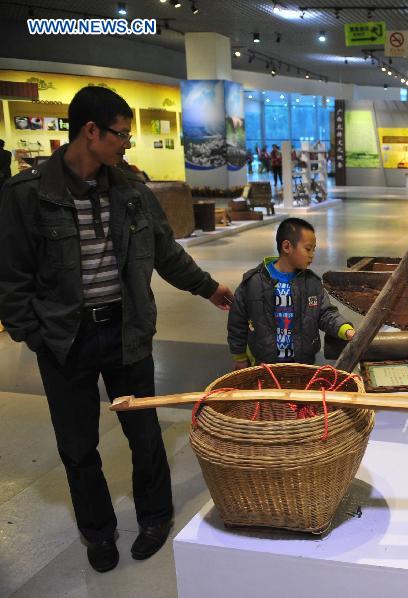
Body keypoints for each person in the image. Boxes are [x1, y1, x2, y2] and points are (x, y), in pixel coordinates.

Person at [0, 86, 234, 573]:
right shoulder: (27, 195)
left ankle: (154, 517)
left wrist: (208, 289)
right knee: (78, 447)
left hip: (126, 333)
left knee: (144, 432)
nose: (127, 144)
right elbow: (11, 277)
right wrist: (35, 334)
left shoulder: (129, 189)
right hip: (65, 341)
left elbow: (165, 252)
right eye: (121, 135)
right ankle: (98, 532)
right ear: (91, 131)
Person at [228, 218, 355, 369]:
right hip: (264, 366)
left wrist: (346, 330)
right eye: (308, 249)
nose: (312, 255)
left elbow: (325, 313)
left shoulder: (312, 283)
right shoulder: (253, 283)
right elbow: (237, 322)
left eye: (314, 250)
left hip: (302, 365)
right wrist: (240, 357)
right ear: (287, 246)